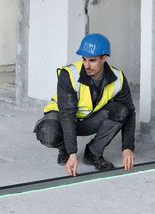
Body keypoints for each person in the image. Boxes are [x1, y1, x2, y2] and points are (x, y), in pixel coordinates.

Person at [34, 33, 135, 176]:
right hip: (61, 119)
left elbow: (130, 112)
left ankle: (93, 154)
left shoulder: (118, 77)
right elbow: (67, 115)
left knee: (122, 110)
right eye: (84, 59)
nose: (87, 65)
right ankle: (64, 149)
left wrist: (127, 148)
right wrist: (72, 153)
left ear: (104, 58)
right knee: (48, 132)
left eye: (92, 60)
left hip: (88, 119)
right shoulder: (69, 74)